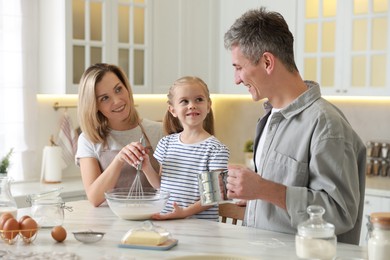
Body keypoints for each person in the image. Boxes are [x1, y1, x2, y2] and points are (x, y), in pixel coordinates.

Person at [223, 7, 366, 245]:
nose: (236, 79)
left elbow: (340, 213)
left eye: (239, 67)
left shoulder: (326, 124)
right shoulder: (269, 119)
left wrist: (263, 190)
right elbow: (284, 196)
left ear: (267, 62)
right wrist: (256, 200)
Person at [140, 76, 230, 221]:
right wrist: (146, 166)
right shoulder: (166, 143)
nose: (192, 105)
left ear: (208, 106)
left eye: (199, 99)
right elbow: (160, 185)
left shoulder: (216, 149)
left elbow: (214, 196)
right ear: (173, 110)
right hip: (168, 222)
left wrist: (184, 212)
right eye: (184, 101)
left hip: (201, 230)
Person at [76, 63, 164, 207]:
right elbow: (94, 198)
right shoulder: (88, 140)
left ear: (127, 88)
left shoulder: (159, 131)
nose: (117, 101)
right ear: (94, 105)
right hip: (110, 222)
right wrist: (119, 160)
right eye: (104, 98)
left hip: (153, 218)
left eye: (118, 89)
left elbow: (171, 188)